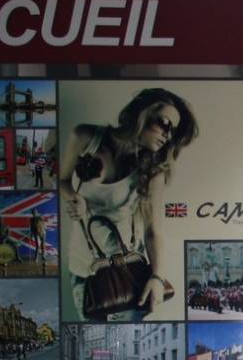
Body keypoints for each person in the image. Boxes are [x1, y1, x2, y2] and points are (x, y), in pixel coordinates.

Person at [59, 87, 197, 321]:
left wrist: (157, 278)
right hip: (84, 268)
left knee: (125, 341)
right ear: (142, 113)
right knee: (91, 341)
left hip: (127, 274)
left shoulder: (154, 170)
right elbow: (62, 180)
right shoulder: (85, 137)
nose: (167, 135)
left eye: (173, 131)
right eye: (164, 123)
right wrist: (74, 198)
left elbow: (153, 231)